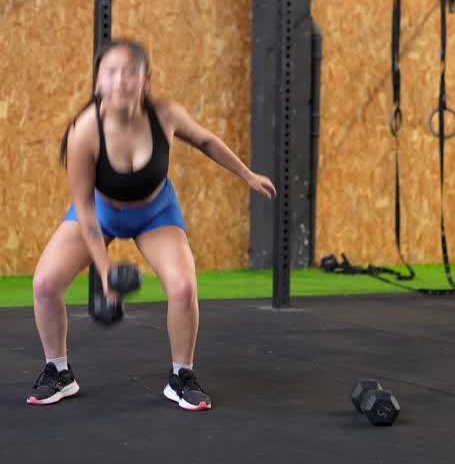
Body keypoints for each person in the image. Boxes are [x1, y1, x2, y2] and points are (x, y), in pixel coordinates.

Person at [28, 38, 277, 411]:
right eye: (111, 72)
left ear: (146, 81)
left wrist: (247, 175)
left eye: (130, 72)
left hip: (155, 213)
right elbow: (85, 207)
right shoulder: (85, 131)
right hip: (100, 212)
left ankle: (182, 377)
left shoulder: (165, 115)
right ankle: (58, 371)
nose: (120, 81)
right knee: (45, 284)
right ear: (98, 81)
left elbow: (206, 141)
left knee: (183, 288)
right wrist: (106, 273)